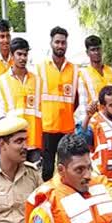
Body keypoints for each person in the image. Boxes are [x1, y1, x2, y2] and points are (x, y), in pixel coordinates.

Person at [36, 26, 79, 181]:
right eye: (57, 42)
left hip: (67, 127)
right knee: (47, 169)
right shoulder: (40, 68)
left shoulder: (74, 69)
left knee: (68, 167)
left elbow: (76, 99)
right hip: (47, 127)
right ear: (51, 43)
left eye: (63, 43)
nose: (60, 46)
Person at [0, 37, 43, 163]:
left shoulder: (37, 81)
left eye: (25, 54)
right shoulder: (2, 81)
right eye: (19, 54)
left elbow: (41, 111)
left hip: (33, 141)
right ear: (12, 55)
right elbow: (1, 115)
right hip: (13, 141)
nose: (23, 58)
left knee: (33, 179)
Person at [78, 35, 112, 127]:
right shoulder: (83, 74)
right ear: (87, 53)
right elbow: (83, 105)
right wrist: (84, 127)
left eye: (98, 49)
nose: (96, 52)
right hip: (94, 124)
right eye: (93, 50)